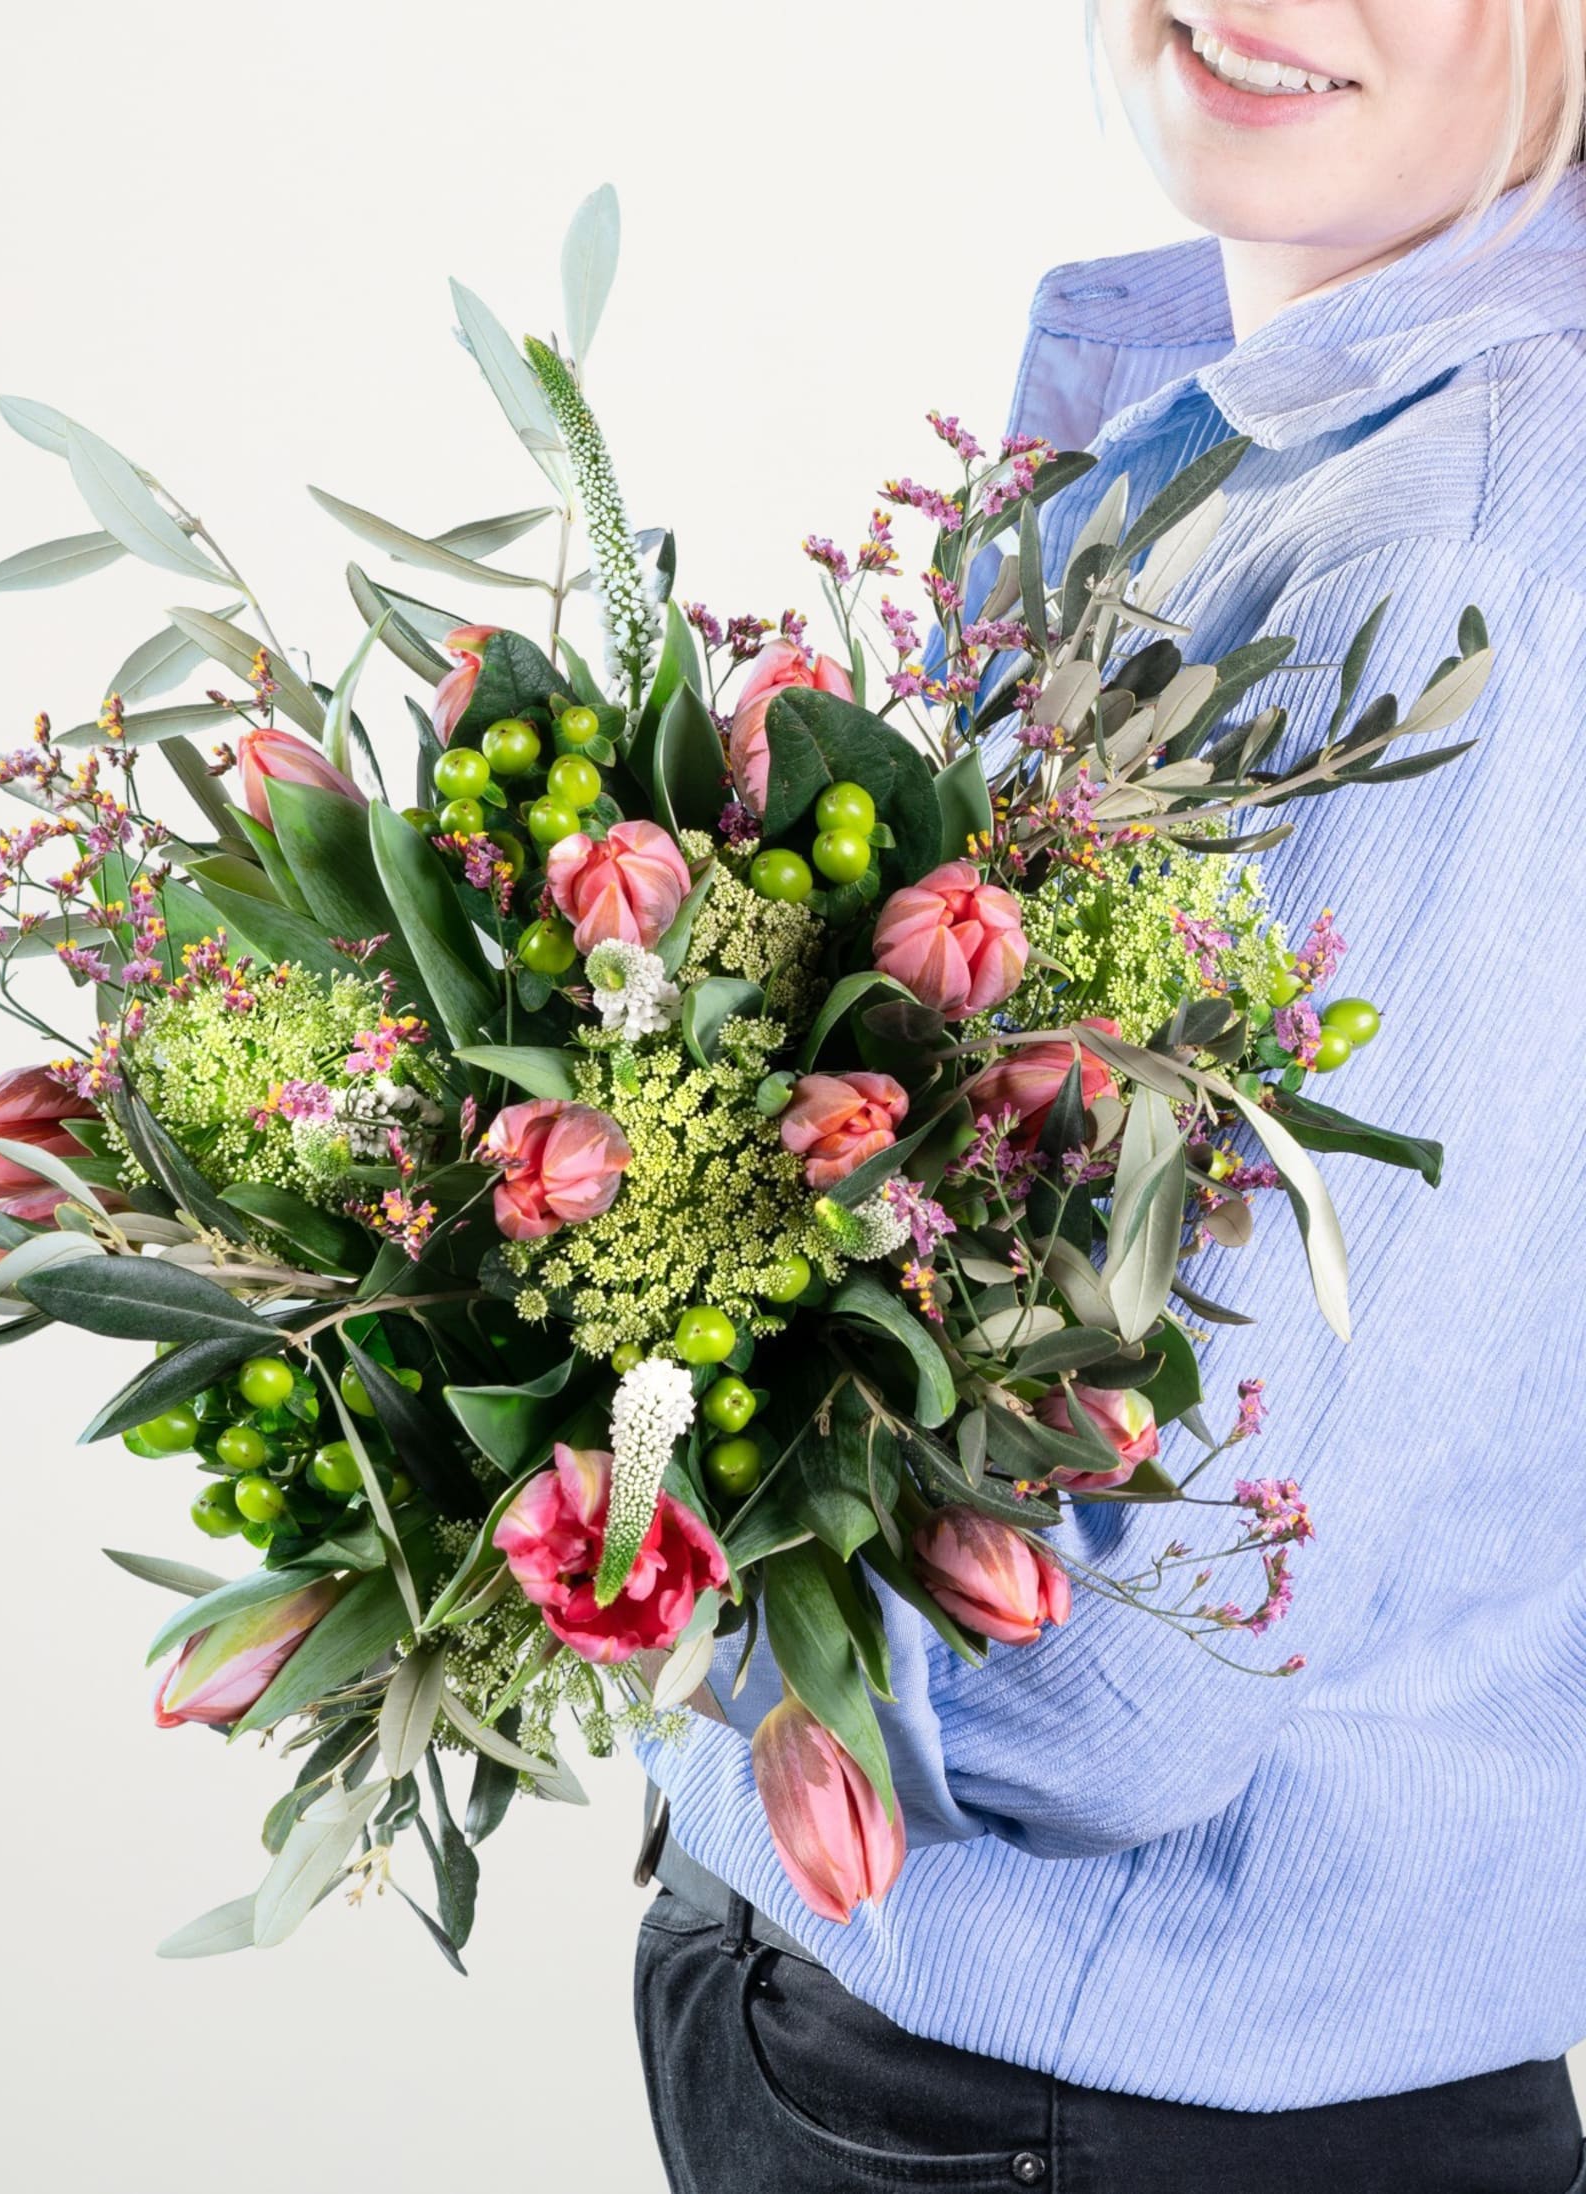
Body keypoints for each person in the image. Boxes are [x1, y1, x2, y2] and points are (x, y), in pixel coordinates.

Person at [631, 6, 1586, 2189]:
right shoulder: (1267, 418)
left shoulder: (1450, 559)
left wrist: (635, 1555)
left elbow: (1146, 1654)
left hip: (1090, 2096)